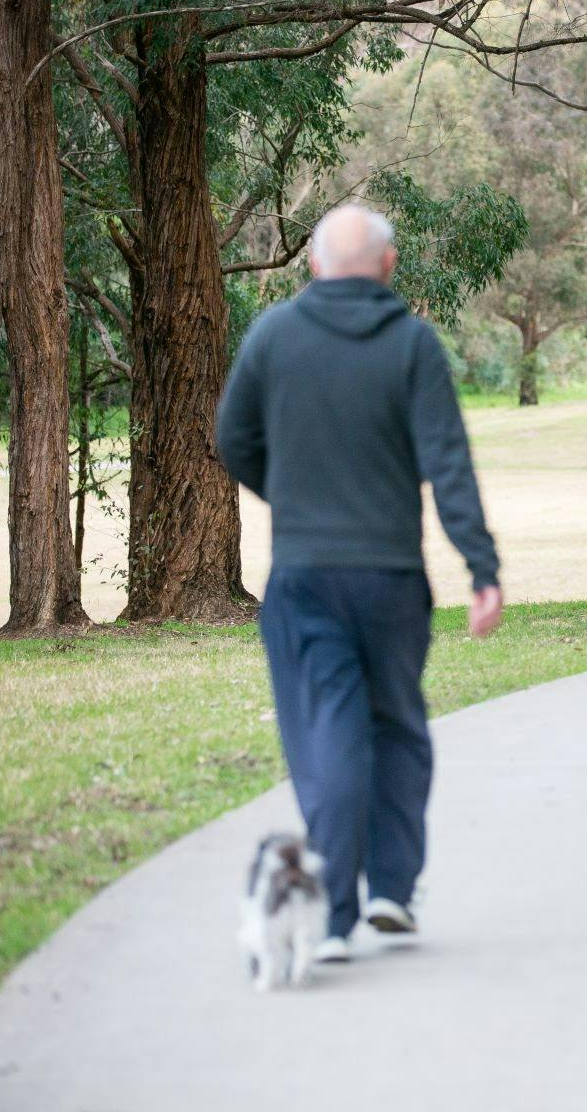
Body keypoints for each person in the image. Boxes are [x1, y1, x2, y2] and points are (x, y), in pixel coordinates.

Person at [215, 204, 503, 964]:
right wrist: (482, 569)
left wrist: (293, 497)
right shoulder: (412, 344)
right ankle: (390, 893)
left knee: (328, 736)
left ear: (314, 265)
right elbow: (449, 464)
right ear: (388, 264)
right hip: (391, 579)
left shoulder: (274, 335)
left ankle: (334, 914)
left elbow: (232, 438)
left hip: (305, 577)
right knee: (398, 728)